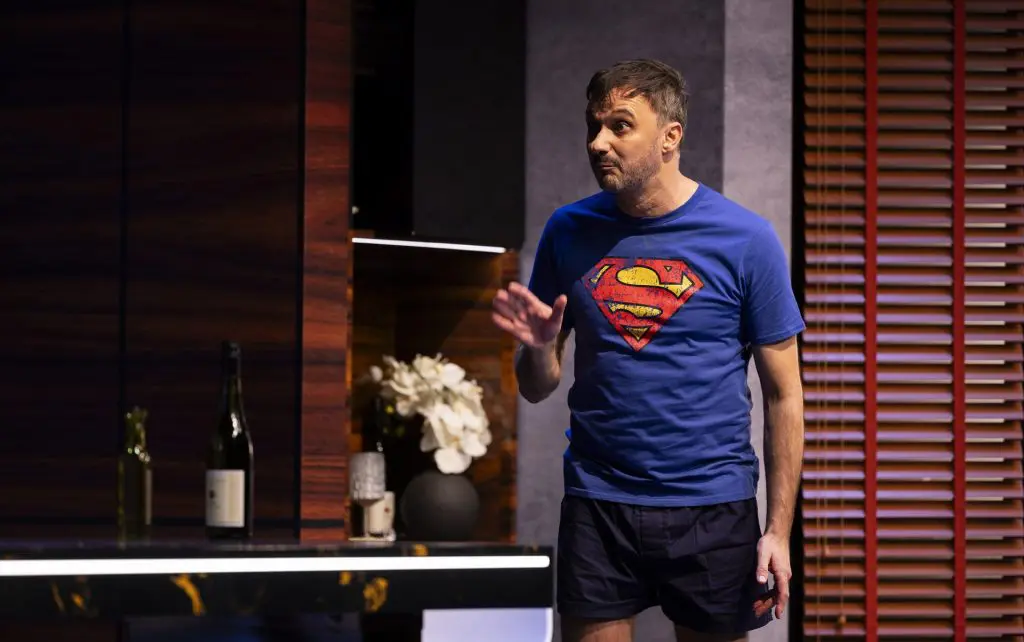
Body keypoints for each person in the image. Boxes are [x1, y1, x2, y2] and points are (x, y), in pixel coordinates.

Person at [491, 59, 805, 642]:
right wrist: (538, 349)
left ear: (670, 136)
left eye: (619, 125)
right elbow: (537, 387)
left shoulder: (746, 239)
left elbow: (784, 395)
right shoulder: (567, 231)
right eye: (593, 125)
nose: (598, 142)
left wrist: (779, 530)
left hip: (713, 507)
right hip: (598, 504)